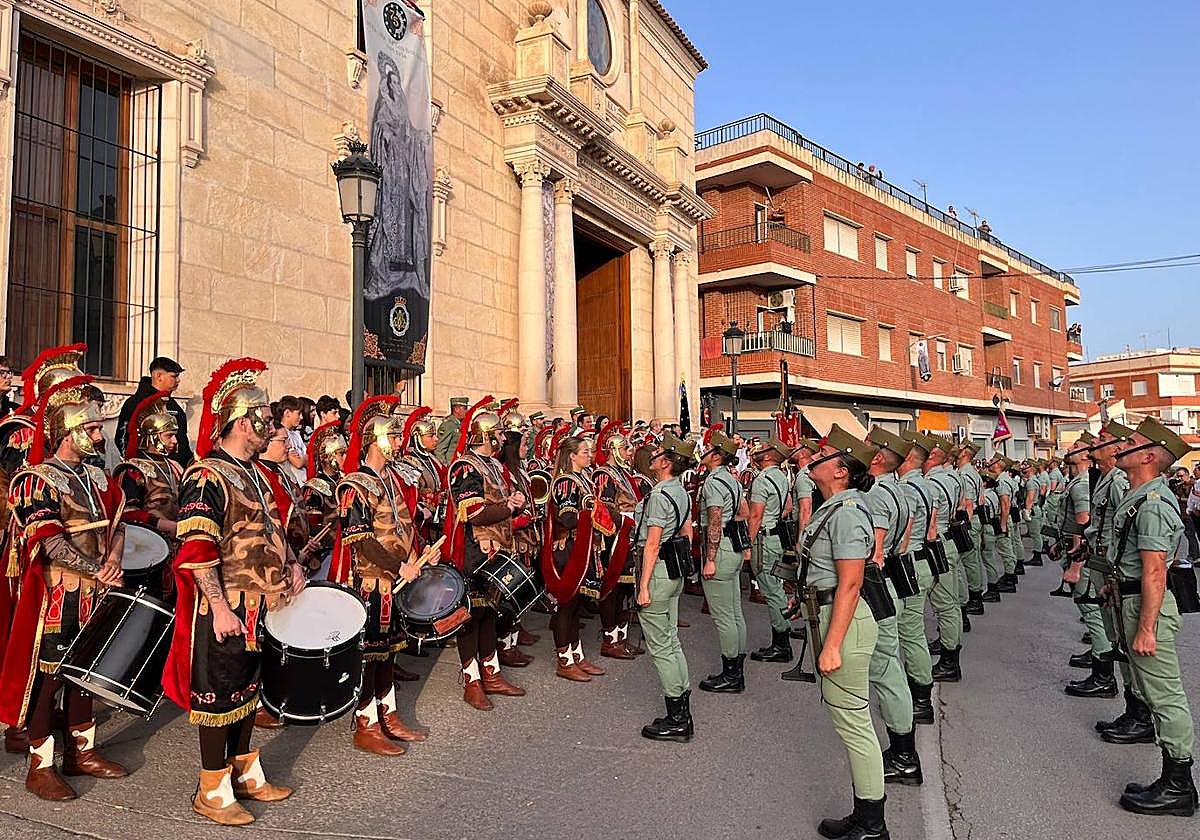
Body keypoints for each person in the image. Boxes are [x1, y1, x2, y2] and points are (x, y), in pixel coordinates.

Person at [161, 358, 300, 825]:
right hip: (224, 604)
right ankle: (212, 787)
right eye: (264, 419)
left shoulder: (256, 473)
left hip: (261, 602)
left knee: (247, 690)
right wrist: (219, 607)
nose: (271, 427)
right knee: (218, 694)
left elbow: (273, 529)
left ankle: (245, 773)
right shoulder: (206, 475)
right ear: (243, 422)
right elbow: (197, 546)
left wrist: (294, 564)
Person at [0, 374, 129, 801]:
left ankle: (83, 751)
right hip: (59, 596)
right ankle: (41, 763)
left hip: (96, 589)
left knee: (86, 675)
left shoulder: (96, 477)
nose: (98, 434)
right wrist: (97, 567)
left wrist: (111, 560)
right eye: (91, 427)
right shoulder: (35, 479)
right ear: (67, 430)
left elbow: (119, 522)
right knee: (50, 678)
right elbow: (49, 540)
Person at [799, 425, 889, 839]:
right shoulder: (833, 507)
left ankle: (872, 825)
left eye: (824, 455)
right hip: (833, 616)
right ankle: (864, 815)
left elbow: (851, 583)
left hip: (846, 628)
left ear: (840, 471)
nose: (814, 458)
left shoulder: (848, 512)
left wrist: (832, 645)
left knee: (855, 724)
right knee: (851, 722)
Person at [1109, 418, 1196, 816]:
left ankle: (1179, 785)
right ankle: (1173, 779)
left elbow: (1155, 570)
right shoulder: (1140, 496)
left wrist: (1146, 628)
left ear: (1147, 456)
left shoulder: (1154, 504)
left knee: (1165, 695)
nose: (1122, 446)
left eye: (1132, 442)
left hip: (1147, 610)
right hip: (1130, 601)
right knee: (1156, 692)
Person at [335, 396, 428, 755]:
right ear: (376, 439)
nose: (401, 440)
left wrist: (414, 553)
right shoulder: (354, 485)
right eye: (395, 434)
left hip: (394, 581)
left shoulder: (390, 478)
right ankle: (366, 722)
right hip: (370, 582)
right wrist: (397, 565)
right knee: (371, 653)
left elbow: (405, 525)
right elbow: (360, 541)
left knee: (389, 651)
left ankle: (388, 713)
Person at [446, 408, 526, 709]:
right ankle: (472, 679)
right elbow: (474, 512)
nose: (502, 438)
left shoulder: (492, 464)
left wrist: (513, 505)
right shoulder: (465, 467)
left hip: (496, 546)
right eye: (497, 433)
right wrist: (509, 507)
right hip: (472, 549)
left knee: (491, 611)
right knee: (472, 614)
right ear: (484, 434)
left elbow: (499, 504)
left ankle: (490, 672)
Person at [864, 426, 922, 786]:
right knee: (890, 666)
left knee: (885, 669)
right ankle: (902, 751)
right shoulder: (899, 491)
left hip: (878, 587)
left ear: (879, 456)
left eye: (867, 446)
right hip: (893, 585)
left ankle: (904, 756)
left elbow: (876, 552)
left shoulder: (878, 495)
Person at [1084, 421, 1149, 739]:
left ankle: (1139, 714)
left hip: (1117, 569)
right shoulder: (1105, 477)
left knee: (1127, 643)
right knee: (1119, 642)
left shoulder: (1120, 481)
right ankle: (1132, 709)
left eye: (1104, 439)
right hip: (1107, 566)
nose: (1096, 442)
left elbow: (1125, 533)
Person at [635, 431, 696, 741]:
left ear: (666, 462)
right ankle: (682, 706)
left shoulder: (660, 495)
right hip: (673, 572)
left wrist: (643, 586)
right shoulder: (680, 490)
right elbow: (687, 533)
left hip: (658, 572)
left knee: (660, 646)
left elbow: (653, 543)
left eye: (658, 453)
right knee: (671, 640)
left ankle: (677, 718)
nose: (653, 456)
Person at [111, 388, 184, 601]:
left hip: (176, 549)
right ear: (153, 436)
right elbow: (128, 514)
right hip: (145, 552)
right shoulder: (133, 469)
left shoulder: (176, 467)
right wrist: (164, 525)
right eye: (169, 435)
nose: (175, 441)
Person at [545, 436, 606, 681]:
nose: (589, 455)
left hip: (584, 546)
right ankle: (564, 660)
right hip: (568, 548)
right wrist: (595, 511)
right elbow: (567, 517)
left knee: (577, 605)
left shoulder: (584, 478)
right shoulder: (566, 482)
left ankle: (576, 654)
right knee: (566, 605)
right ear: (572, 456)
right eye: (584, 451)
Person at [694, 431, 751, 692]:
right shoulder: (731, 479)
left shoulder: (713, 482)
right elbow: (744, 512)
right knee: (735, 612)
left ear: (716, 455)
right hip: (734, 547)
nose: (702, 451)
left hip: (720, 550)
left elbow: (714, 520)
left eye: (707, 448)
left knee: (724, 616)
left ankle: (731, 674)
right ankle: (737, 669)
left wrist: (710, 559)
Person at [593, 428, 649, 659]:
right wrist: (626, 518)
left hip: (629, 536)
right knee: (613, 589)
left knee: (626, 589)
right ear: (615, 450)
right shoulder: (604, 475)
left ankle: (621, 637)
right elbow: (605, 507)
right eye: (625, 448)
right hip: (614, 537)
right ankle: (610, 639)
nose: (630, 452)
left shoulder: (624, 473)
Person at [896, 430, 938, 723]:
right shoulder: (928, 485)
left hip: (909, 563)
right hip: (922, 559)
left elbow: (905, 534)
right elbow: (932, 530)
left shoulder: (907, 489)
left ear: (909, 458)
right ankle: (919, 694)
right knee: (913, 631)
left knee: (910, 633)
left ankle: (921, 700)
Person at [746, 437, 796, 669]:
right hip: (774, 535)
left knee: (771, 589)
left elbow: (755, 515)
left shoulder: (762, 479)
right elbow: (787, 507)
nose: (757, 452)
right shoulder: (781, 477)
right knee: (775, 585)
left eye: (762, 450)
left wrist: (748, 543)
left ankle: (781, 643)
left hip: (763, 539)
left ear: (768, 456)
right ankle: (782, 638)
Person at [923, 434, 965, 682]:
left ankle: (950, 662)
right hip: (947, 539)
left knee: (945, 605)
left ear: (932, 456)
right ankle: (950, 649)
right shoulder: (951, 478)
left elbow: (930, 523)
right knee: (950, 602)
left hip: (937, 542)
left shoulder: (933, 483)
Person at [114, 356, 192, 467]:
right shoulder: (134, 403)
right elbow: (122, 438)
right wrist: (135, 466)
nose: (178, 380)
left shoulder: (174, 406)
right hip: (147, 469)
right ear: (159, 376)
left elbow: (182, 440)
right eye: (174, 376)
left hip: (176, 469)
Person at [955, 442, 986, 615]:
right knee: (973, 560)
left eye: (960, 448)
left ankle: (973, 599)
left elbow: (969, 503)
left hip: (969, 520)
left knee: (967, 562)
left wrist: (964, 527)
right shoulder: (972, 472)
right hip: (975, 520)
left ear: (966, 453)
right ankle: (976, 595)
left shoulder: (965, 474)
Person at [434, 396, 469, 464]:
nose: (467, 411)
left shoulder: (460, 425)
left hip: (459, 465)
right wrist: (445, 468)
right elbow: (439, 450)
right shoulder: (448, 426)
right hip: (450, 467)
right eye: (465, 408)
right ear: (456, 409)